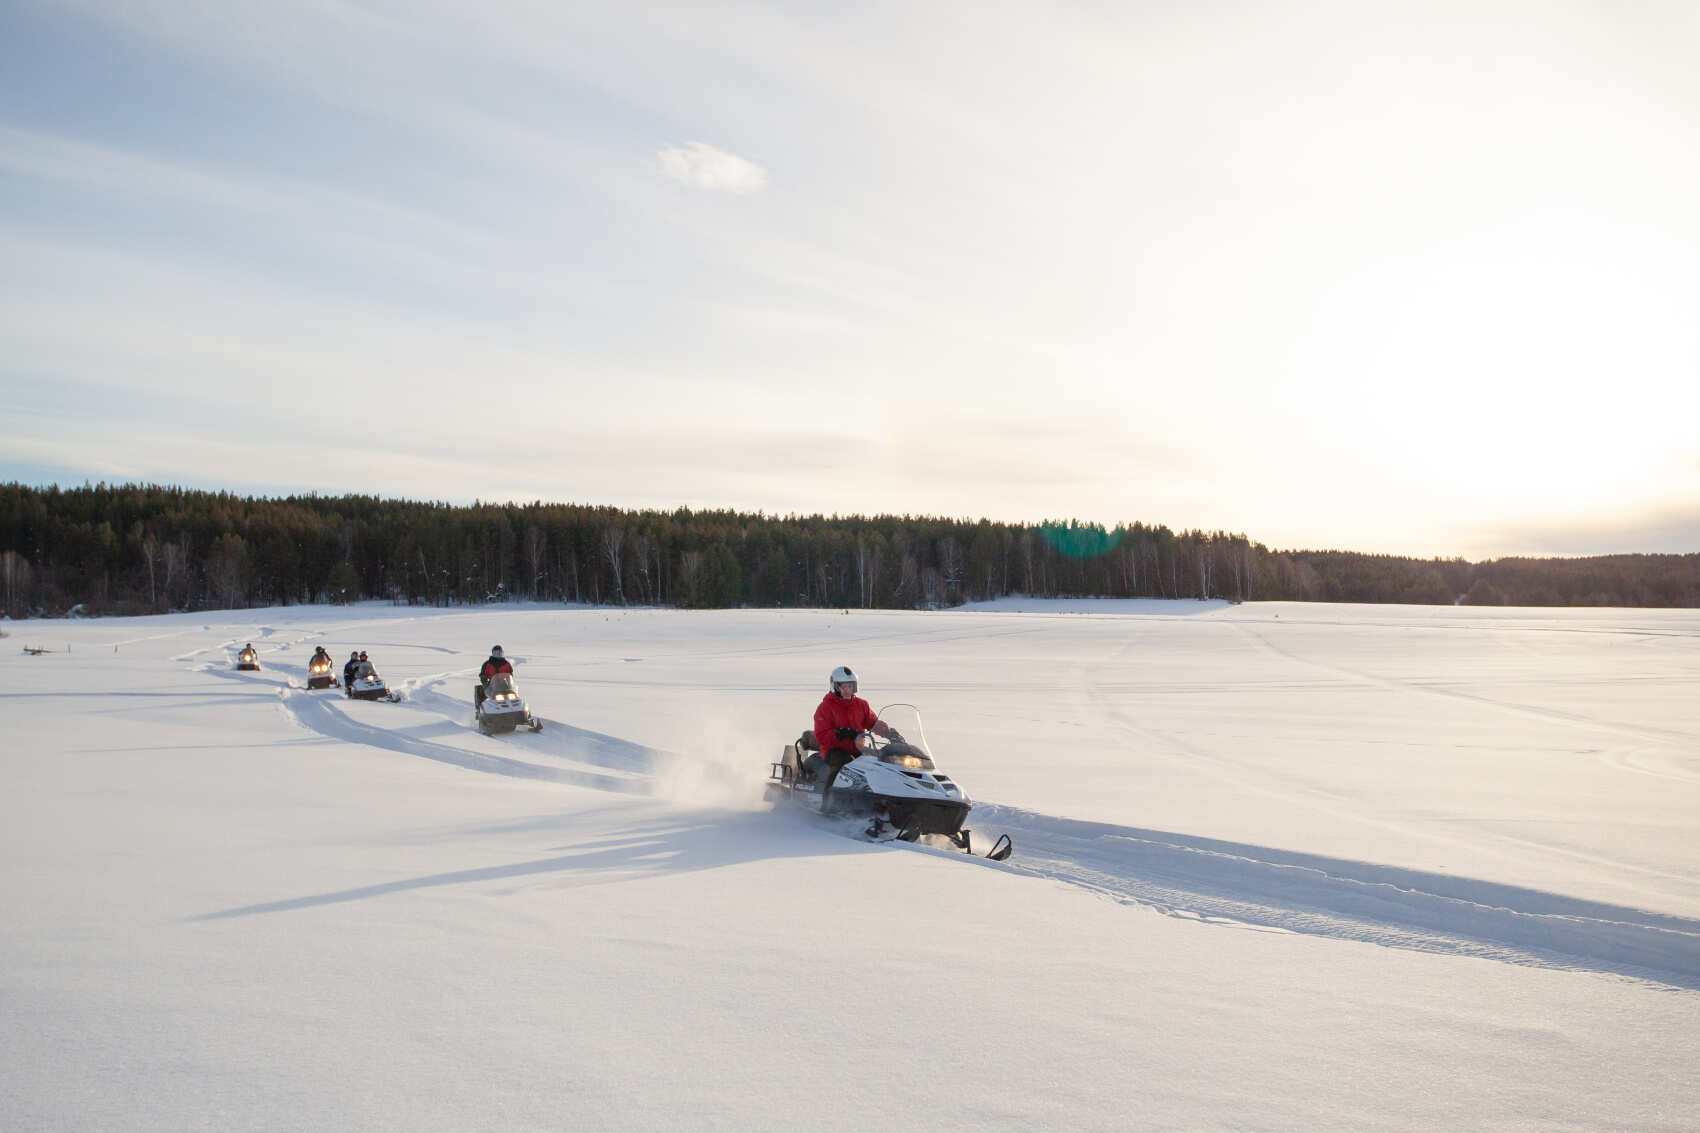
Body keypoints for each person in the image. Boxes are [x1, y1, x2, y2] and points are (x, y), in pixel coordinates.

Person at [812, 665, 895, 797]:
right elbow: (821, 736)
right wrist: (840, 732)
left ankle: (886, 796)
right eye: (844, 687)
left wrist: (890, 733)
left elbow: (873, 723)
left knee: (882, 761)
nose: (848, 690)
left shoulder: (861, 705)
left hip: (858, 749)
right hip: (833, 750)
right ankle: (829, 800)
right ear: (835, 686)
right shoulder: (826, 707)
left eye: (851, 686)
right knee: (844, 763)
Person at [475, 645, 513, 710]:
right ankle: (483, 711)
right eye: (496, 653)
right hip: (491, 684)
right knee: (486, 696)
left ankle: (519, 712)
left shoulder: (506, 664)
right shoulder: (487, 664)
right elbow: (483, 675)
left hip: (503, 684)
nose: (498, 654)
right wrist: (485, 684)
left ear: (502, 653)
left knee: (512, 696)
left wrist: (510, 685)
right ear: (493, 653)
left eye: (499, 653)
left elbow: (510, 674)